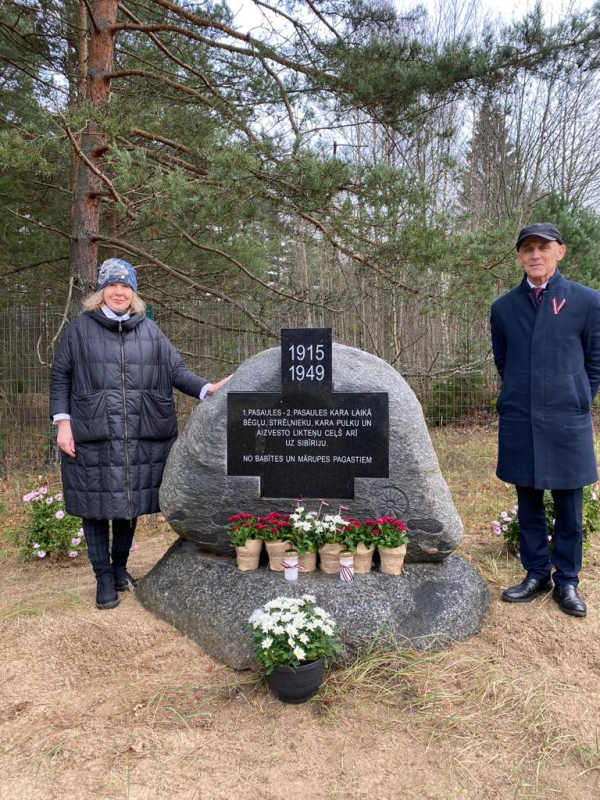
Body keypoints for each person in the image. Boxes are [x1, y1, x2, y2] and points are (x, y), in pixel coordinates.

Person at [49, 258, 231, 610]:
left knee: (128, 506)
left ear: (133, 292)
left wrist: (208, 388)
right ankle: (103, 578)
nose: (119, 291)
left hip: (138, 436)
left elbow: (176, 371)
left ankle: (120, 570)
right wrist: (63, 423)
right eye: (113, 285)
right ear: (102, 291)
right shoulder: (79, 330)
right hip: (93, 432)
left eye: (126, 286)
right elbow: (60, 378)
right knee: (96, 508)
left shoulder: (149, 330)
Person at [490, 222, 600, 617]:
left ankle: (567, 581)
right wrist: (520, 393)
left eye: (543, 247)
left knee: (569, 502)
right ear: (519, 257)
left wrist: (579, 397)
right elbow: (504, 362)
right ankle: (537, 573)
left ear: (560, 252)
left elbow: (595, 361)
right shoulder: (503, 308)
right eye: (528, 248)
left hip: (567, 420)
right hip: (521, 418)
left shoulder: (587, 301)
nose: (535, 254)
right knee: (529, 499)